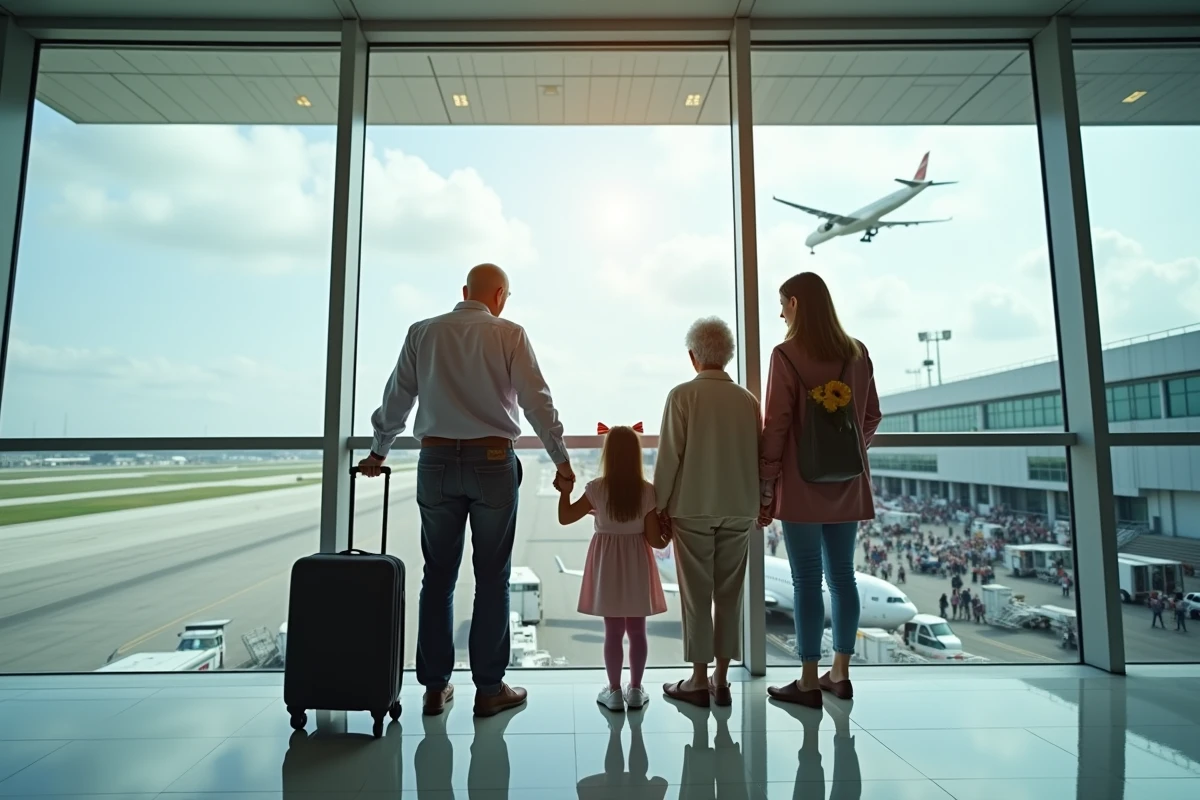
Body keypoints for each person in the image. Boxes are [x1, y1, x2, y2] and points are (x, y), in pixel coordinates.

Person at [358, 263, 573, 718]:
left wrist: (379, 452)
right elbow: (538, 402)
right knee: (492, 577)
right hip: (492, 462)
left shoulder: (422, 332)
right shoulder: (509, 334)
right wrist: (561, 461)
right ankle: (489, 688)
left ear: (464, 291)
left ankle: (435, 688)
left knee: (437, 576)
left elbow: (398, 397)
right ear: (498, 295)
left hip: (434, 462)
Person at [761, 273, 881, 708]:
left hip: (800, 485)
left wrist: (768, 477)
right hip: (847, 483)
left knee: (806, 581)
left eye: (781, 304)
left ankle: (808, 677)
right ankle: (841, 673)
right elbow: (871, 416)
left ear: (795, 303)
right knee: (843, 577)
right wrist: (844, 452)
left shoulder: (786, 354)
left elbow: (775, 424)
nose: (779, 313)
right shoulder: (857, 352)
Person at [655, 317, 761, 709]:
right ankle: (721, 677)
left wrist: (660, 506)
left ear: (693, 356)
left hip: (694, 508)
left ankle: (697, 680)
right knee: (729, 594)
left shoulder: (682, 396)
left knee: (697, 596)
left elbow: (670, 459)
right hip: (739, 507)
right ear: (728, 355)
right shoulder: (748, 400)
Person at [555, 425, 669, 712]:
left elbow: (565, 518)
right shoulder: (647, 492)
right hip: (637, 563)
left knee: (613, 632)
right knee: (638, 631)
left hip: (607, 563)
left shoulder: (596, 489)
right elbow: (655, 541)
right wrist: (671, 530)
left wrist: (565, 492)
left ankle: (615, 691)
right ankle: (635, 689)